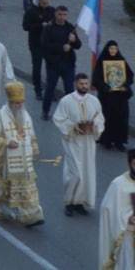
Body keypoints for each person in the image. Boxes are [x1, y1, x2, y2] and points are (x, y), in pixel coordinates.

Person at [0, 81, 45, 227]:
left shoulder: (25, 115)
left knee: (27, 187)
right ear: (10, 102)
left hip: (24, 160)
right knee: (6, 188)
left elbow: (31, 134)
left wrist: (35, 148)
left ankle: (32, 215)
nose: (19, 106)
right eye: (16, 103)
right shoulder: (0, 116)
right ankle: (3, 209)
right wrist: (6, 143)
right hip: (5, 160)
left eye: (21, 103)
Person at [53, 73, 105, 216]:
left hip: (88, 143)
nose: (84, 86)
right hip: (73, 142)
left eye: (86, 84)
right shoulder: (66, 101)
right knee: (75, 173)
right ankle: (69, 202)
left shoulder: (94, 101)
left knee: (86, 172)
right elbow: (58, 119)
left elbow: (100, 118)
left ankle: (79, 202)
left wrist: (94, 125)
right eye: (81, 84)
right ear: (76, 84)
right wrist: (73, 126)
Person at [41, 5, 82, 120]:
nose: (62, 17)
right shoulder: (48, 28)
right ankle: (45, 110)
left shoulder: (70, 28)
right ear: (55, 14)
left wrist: (74, 41)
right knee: (50, 88)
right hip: (53, 64)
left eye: (64, 15)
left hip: (68, 64)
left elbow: (78, 45)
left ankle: (70, 113)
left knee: (69, 90)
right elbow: (44, 45)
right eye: (60, 14)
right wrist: (60, 47)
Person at [98, 149, 135, 270]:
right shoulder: (118, 185)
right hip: (128, 239)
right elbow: (108, 212)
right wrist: (128, 219)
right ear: (130, 164)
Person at [93, 41, 133, 151]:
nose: (113, 51)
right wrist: (106, 88)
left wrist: (125, 85)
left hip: (121, 97)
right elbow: (96, 79)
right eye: (111, 48)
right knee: (108, 119)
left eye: (115, 48)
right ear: (107, 49)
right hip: (107, 97)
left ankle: (119, 142)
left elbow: (130, 75)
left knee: (121, 119)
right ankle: (107, 140)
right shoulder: (101, 62)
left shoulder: (121, 60)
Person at [22, 0, 55, 101]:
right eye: (44, 3)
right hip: (36, 44)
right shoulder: (31, 11)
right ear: (39, 2)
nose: (46, 5)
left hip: (49, 44)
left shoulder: (51, 10)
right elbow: (25, 27)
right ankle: (38, 90)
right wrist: (40, 25)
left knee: (51, 67)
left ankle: (50, 90)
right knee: (37, 67)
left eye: (47, 3)